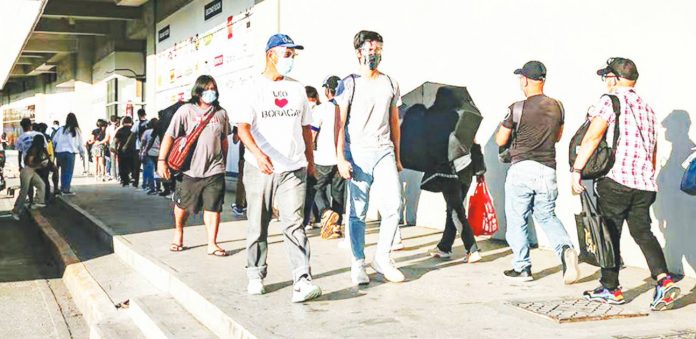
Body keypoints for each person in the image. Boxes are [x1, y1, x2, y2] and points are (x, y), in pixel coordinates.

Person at [571, 57, 680, 310]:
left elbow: (593, 136)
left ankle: (610, 288)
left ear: (615, 78)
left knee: (610, 233)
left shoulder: (610, 101)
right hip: (643, 183)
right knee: (643, 232)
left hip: (617, 180)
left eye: (607, 77)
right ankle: (663, 281)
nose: (606, 81)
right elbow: (652, 149)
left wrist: (577, 169)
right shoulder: (647, 108)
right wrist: (647, 175)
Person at [233, 33, 322, 303]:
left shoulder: (297, 89)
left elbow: (306, 128)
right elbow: (242, 128)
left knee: (294, 224)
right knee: (257, 223)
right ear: (270, 55)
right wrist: (258, 154)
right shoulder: (252, 88)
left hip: (293, 168)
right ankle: (255, 273)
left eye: (294, 55)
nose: (291, 59)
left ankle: (302, 278)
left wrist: (310, 161)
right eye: (287, 54)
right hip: (261, 168)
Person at [495, 61, 579, 284]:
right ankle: (566, 249)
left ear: (524, 80)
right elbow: (558, 136)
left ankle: (522, 268)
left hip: (522, 168)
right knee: (547, 215)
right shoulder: (557, 106)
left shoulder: (517, 107)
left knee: (517, 218)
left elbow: (500, 139)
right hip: (548, 169)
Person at [335, 30, 405, 285]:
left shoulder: (390, 83)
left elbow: (394, 122)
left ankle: (382, 258)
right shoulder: (349, 83)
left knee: (394, 206)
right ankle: (357, 262)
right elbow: (339, 124)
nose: (374, 54)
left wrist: (397, 155)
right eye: (369, 49)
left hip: (384, 149)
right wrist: (341, 158)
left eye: (378, 49)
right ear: (358, 53)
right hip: (358, 153)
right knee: (358, 212)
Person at [158, 75, 231, 258]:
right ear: (198, 91)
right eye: (207, 89)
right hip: (189, 170)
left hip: (214, 170)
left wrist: (224, 162)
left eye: (213, 88)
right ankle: (179, 233)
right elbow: (170, 135)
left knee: (213, 207)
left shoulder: (220, 113)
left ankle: (212, 244)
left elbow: (223, 140)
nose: (211, 92)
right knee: (182, 208)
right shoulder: (186, 111)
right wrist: (162, 161)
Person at [421, 87, 483, 262]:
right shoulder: (465, 118)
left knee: (456, 210)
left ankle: (472, 249)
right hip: (467, 169)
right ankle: (444, 247)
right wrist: (480, 169)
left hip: (449, 171)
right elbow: (475, 144)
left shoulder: (438, 119)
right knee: (453, 208)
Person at [310, 75, 346, 239]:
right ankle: (336, 228)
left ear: (327, 91)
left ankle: (326, 212)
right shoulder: (347, 108)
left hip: (322, 159)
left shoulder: (321, 109)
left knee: (316, 188)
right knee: (338, 194)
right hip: (341, 159)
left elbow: (311, 134)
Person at [11, 135, 48, 220]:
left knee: (41, 185)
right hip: (27, 171)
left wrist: (40, 165)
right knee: (24, 192)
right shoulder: (34, 149)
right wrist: (40, 165)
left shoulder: (37, 149)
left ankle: (38, 201)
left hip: (31, 171)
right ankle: (15, 211)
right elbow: (29, 163)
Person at [302, 85, 321, 230]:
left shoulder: (318, 111)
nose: (312, 102)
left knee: (311, 189)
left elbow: (312, 135)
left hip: (314, 156)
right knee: (310, 190)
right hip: (306, 156)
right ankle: (312, 217)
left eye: (313, 99)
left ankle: (311, 218)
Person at [53, 113, 85, 195]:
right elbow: (80, 144)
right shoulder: (76, 130)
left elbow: (54, 141)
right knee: (68, 172)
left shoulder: (61, 129)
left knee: (61, 171)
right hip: (70, 153)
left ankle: (61, 188)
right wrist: (82, 154)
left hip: (59, 153)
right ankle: (65, 189)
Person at [114, 117, 136, 187]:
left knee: (122, 166)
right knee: (133, 165)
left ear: (123, 122)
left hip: (122, 150)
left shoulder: (120, 130)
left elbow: (115, 141)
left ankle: (125, 181)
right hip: (133, 150)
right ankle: (134, 178)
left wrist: (115, 149)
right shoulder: (134, 130)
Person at [230, 126, 247, 216]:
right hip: (261, 155)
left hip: (245, 155)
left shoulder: (240, 120)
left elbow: (235, 140)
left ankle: (239, 206)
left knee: (242, 180)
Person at [131, 109, 149, 189]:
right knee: (147, 166)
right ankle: (146, 183)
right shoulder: (149, 123)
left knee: (136, 166)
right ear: (145, 114)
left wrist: (127, 145)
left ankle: (136, 182)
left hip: (138, 147)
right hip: (148, 147)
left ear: (138, 114)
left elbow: (132, 134)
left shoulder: (137, 123)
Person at [140, 118, 158, 194]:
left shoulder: (147, 132)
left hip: (150, 152)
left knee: (149, 171)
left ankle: (151, 187)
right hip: (159, 152)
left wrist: (142, 150)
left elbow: (143, 142)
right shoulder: (160, 131)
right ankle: (159, 187)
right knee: (158, 171)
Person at [105, 115, 120, 180]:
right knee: (119, 160)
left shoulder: (108, 128)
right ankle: (119, 174)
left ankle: (114, 175)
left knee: (113, 160)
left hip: (112, 144)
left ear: (110, 121)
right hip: (119, 144)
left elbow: (107, 138)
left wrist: (107, 144)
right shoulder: (119, 127)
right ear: (116, 120)